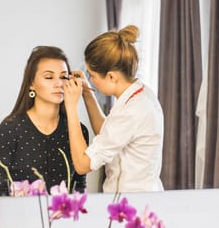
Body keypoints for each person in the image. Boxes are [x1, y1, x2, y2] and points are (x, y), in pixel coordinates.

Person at [63, 25, 164, 193]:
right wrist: (88, 94)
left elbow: (82, 165)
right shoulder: (142, 95)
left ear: (111, 76)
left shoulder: (131, 111)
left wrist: (71, 107)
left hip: (130, 202)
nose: (92, 79)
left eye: (92, 75)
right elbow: (108, 133)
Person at [0, 46, 89, 197]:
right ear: (31, 84)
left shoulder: (79, 130)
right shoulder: (10, 129)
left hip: (62, 218)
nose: (59, 83)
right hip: (17, 218)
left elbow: (79, 188)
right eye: (49, 77)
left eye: (64, 77)